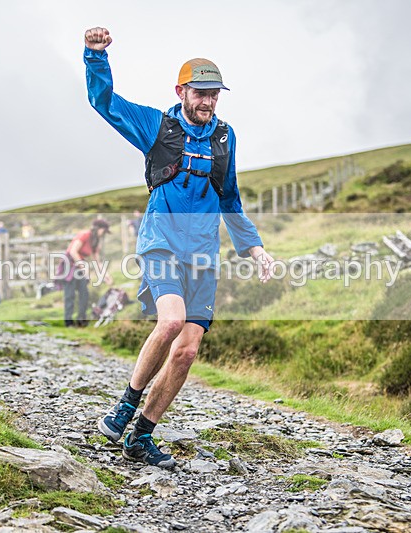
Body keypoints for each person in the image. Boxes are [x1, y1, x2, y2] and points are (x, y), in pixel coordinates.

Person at [85, 27, 274, 468]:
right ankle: (125, 407)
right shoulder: (157, 126)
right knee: (170, 323)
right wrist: (96, 57)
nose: (208, 102)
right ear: (181, 91)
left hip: (204, 256)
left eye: (214, 95)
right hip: (162, 243)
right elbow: (105, 104)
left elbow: (230, 199)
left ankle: (142, 435)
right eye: (201, 93)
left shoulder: (225, 138)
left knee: (188, 351)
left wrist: (255, 248)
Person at [64, 218, 114, 327]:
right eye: (103, 231)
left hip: (80, 266)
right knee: (70, 294)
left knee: (84, 294)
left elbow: (97, 261)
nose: (103, 234)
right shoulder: (84, 235)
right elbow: (73, 251)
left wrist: (106, 276)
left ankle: (81, 319)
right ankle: (68, 322)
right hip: (70, 264)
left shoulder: (95, 242)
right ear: (98, 229)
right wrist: (83, 266)